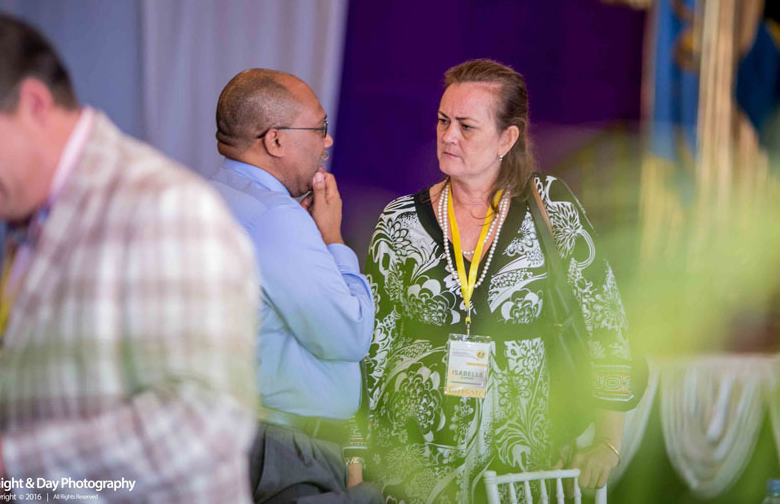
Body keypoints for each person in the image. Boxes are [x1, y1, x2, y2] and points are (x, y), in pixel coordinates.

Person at [0, 10, 259, 501]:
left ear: (35, 104)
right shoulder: (32, 213)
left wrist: (8, 466)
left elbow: (203, 424)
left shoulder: (166, 206)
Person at [363, 59, 638, 502]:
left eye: (466, 126)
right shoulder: (399, 221)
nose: (448, 136)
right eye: (443, 121)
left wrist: (608, 441)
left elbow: (605, 317)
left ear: (506, 139)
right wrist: (358, 451)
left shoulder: (551, 206)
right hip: (410, 457)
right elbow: (374, 342)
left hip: (521, 457)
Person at [209, 69, 380, 504]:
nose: (328, 141)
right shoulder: (275, 217)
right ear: (275, 140)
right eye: (320, 127)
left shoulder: (210, 195)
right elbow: (349, 334)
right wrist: (333, 239)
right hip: (283, 456)